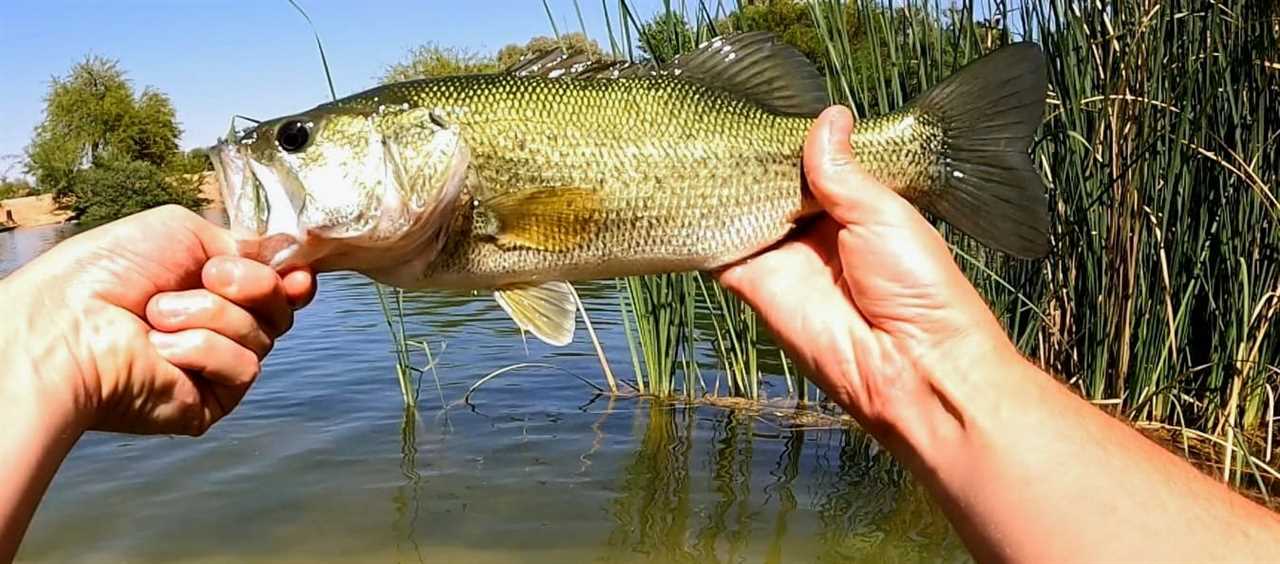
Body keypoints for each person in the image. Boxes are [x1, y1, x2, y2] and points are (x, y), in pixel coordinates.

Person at [1, 107, 1277, 562]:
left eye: (297, 142)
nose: (270, 157)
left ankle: (931, 143)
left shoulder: (464, 187)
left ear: (414, 145)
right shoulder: (431, 223)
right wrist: (45, 343)